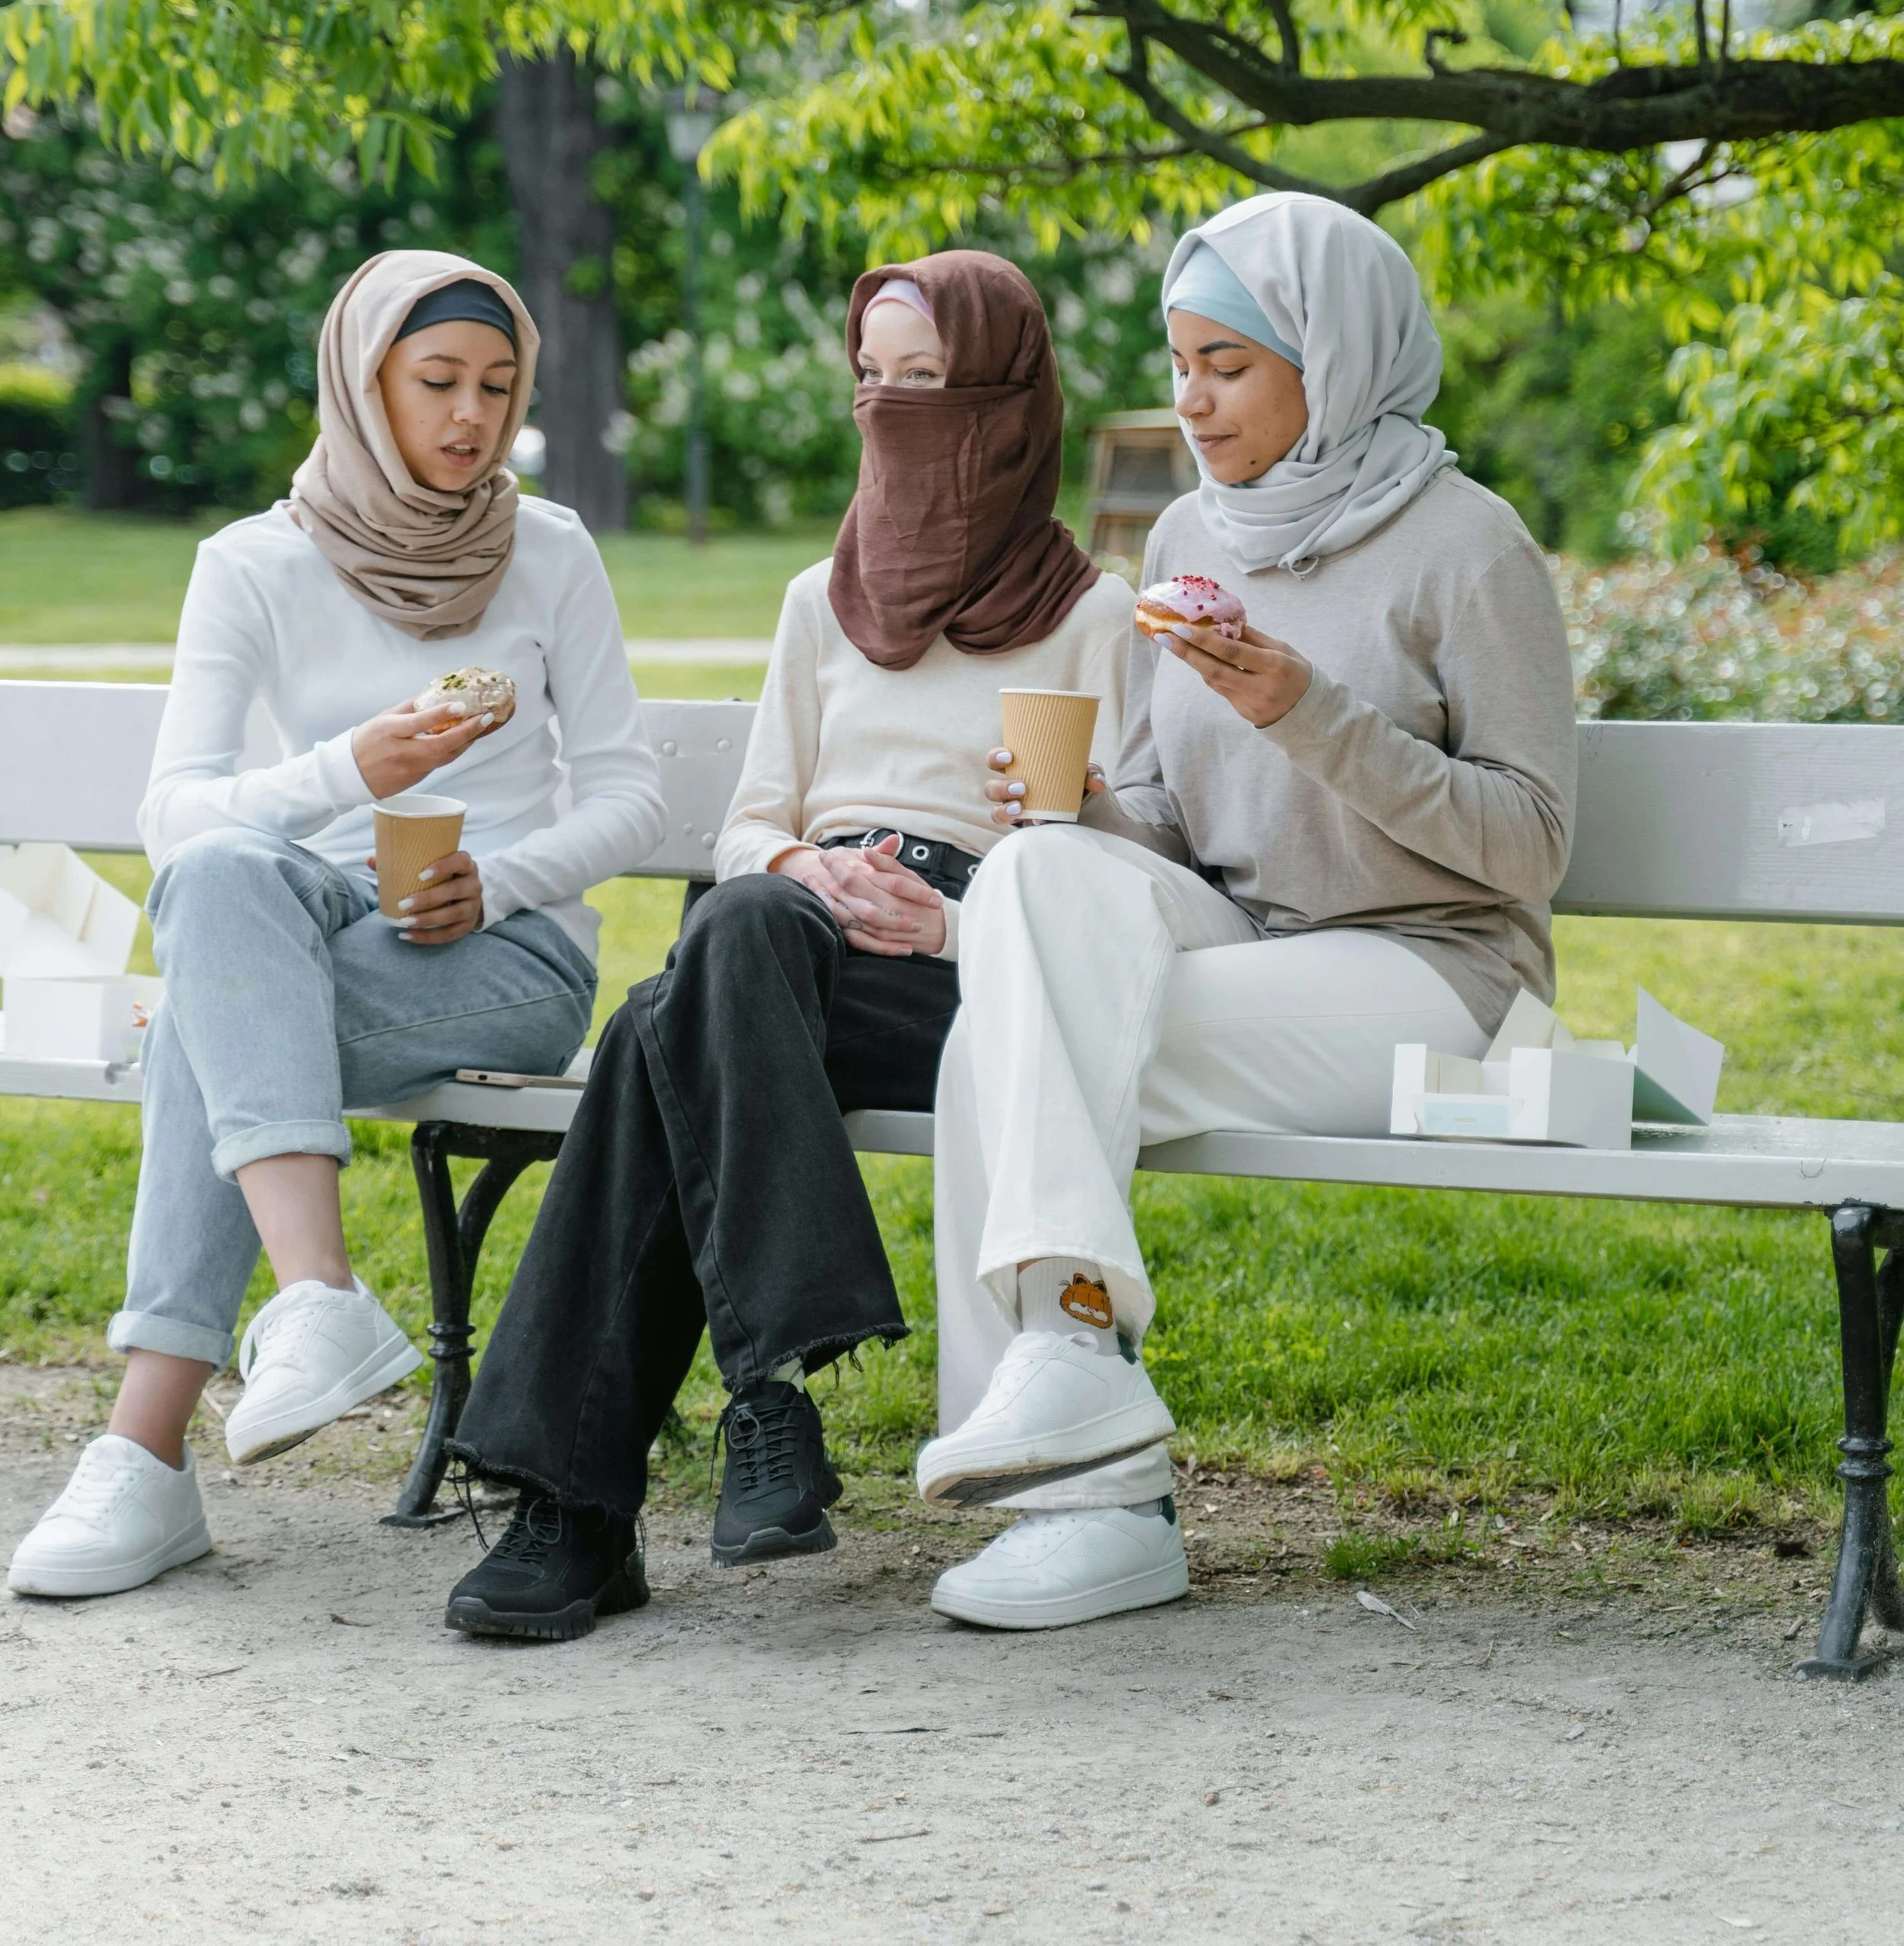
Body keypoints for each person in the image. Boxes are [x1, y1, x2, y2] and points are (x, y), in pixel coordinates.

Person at [442, 251, 1132, 1641]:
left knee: (656, 1031)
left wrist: (956, 910)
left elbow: (1126, 870)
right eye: (868, 379)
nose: (888, 409)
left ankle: (576, 1509)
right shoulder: (822, 602)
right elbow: (752, 825)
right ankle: (762, 1403)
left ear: (1001, 399)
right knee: (742, 924)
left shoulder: (1094, 611)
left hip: (972, 966)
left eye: (923, 383)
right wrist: (802, 864)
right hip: (794, 933)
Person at [919, 193, 1578, 1631]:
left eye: (1228, 363)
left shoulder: (1469, 546)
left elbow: (1531, 845)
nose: (1189, 397)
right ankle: (1076, 1410)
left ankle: (1088, 1483)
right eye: (1178, 359)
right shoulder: (1183, 540)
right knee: (1034, 880)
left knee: (1000, 1058)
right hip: (1255, 944)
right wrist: (1083, 811)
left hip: (1440, 973)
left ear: (1328, 360)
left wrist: (1311, 713)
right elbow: (1169, 819)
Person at [7, 251, 663, 1603]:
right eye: (436, 383)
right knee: (223, 890)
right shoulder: (250, 565)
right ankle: (317, 1298)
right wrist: (348, 772)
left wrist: (509, 876)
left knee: (210, 1008)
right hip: (305, 923)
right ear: (364, 384)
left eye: (497, 385)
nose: (471, 417)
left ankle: (148, 1450)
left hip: (505, 951)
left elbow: (629, 790)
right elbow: (180, 814)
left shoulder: (548, 550)